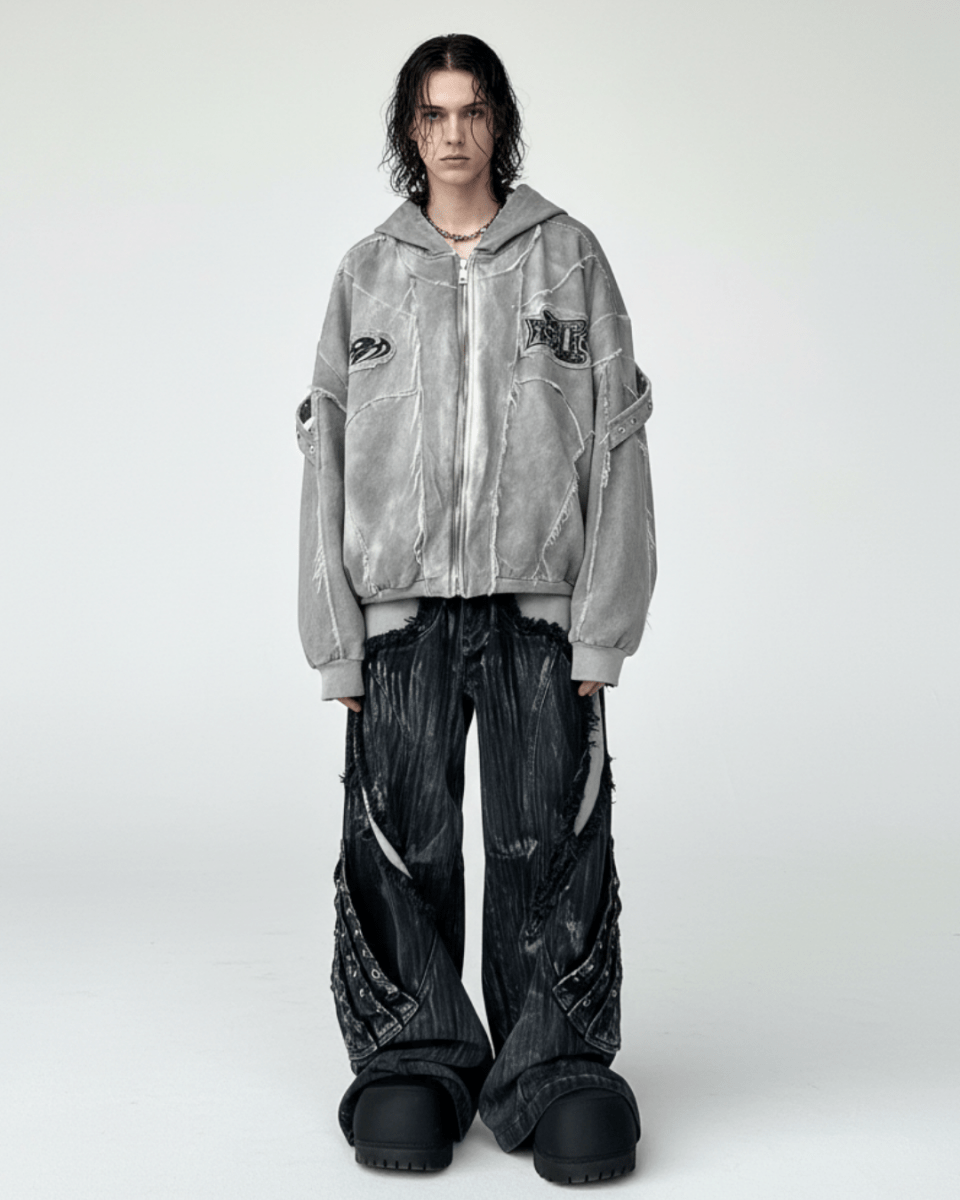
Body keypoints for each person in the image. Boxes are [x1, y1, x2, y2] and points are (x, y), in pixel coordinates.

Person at [295, 33, 656, 1184]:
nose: (453, 133)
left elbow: (618, 441)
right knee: (400, 842)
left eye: (472, 111)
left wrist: (603, 623)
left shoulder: (568, 258)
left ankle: (557, 1068)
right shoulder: (366, 273)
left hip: (541, 619)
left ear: (499, 122)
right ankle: (413, 1055)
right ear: (411, 131)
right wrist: (336, 641)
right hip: (399, 620)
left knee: (548, 840)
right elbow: (325, 457)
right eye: (432, 114)